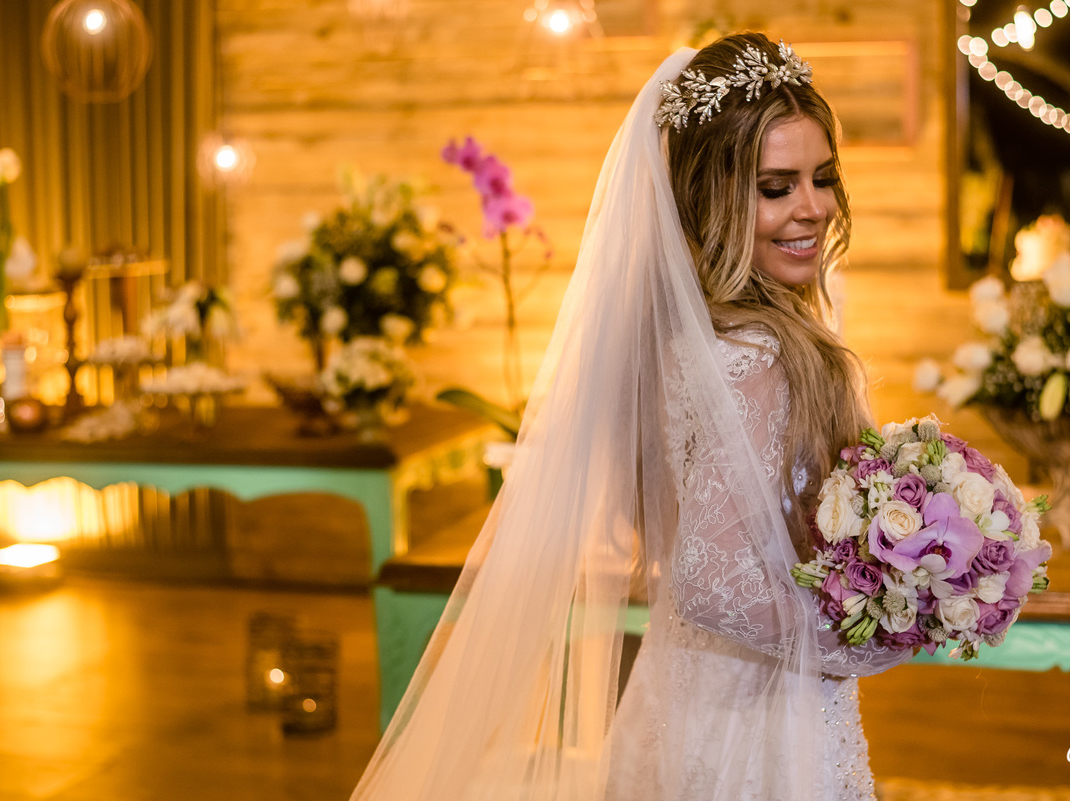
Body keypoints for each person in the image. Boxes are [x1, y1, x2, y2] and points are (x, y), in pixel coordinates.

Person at [351, 32, 910, 801]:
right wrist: (872, 632)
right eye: (775, 186)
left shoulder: (690, 335)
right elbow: (712, 582)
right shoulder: (756, 355)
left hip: (678, 692)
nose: (811, 207)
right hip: (752, 727)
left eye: (822, 177)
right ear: (708, 195)